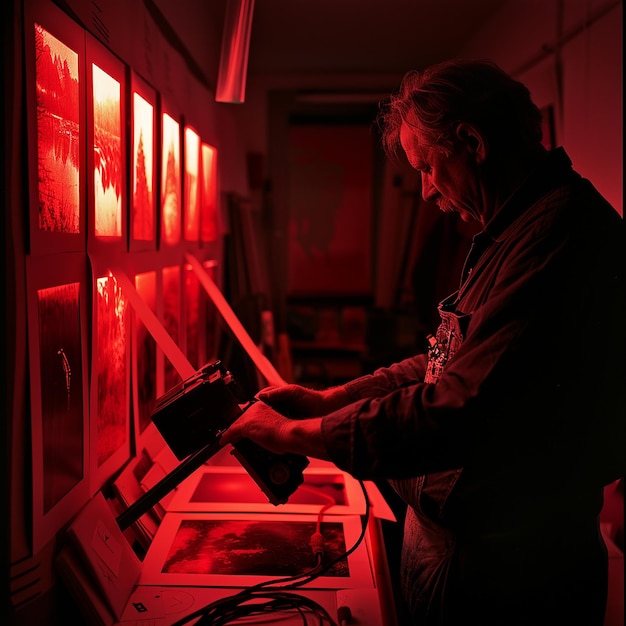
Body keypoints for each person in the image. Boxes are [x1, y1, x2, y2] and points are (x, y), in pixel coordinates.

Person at [221, 59, 625, 626]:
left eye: (428, 168)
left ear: (472, 141)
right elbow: (445, 361)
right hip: (476, 557)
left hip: (504, 579)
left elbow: (459, 408)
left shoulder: (557, 239)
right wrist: (330, 400)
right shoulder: (519, 228)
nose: (426, 191)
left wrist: (295, 436)